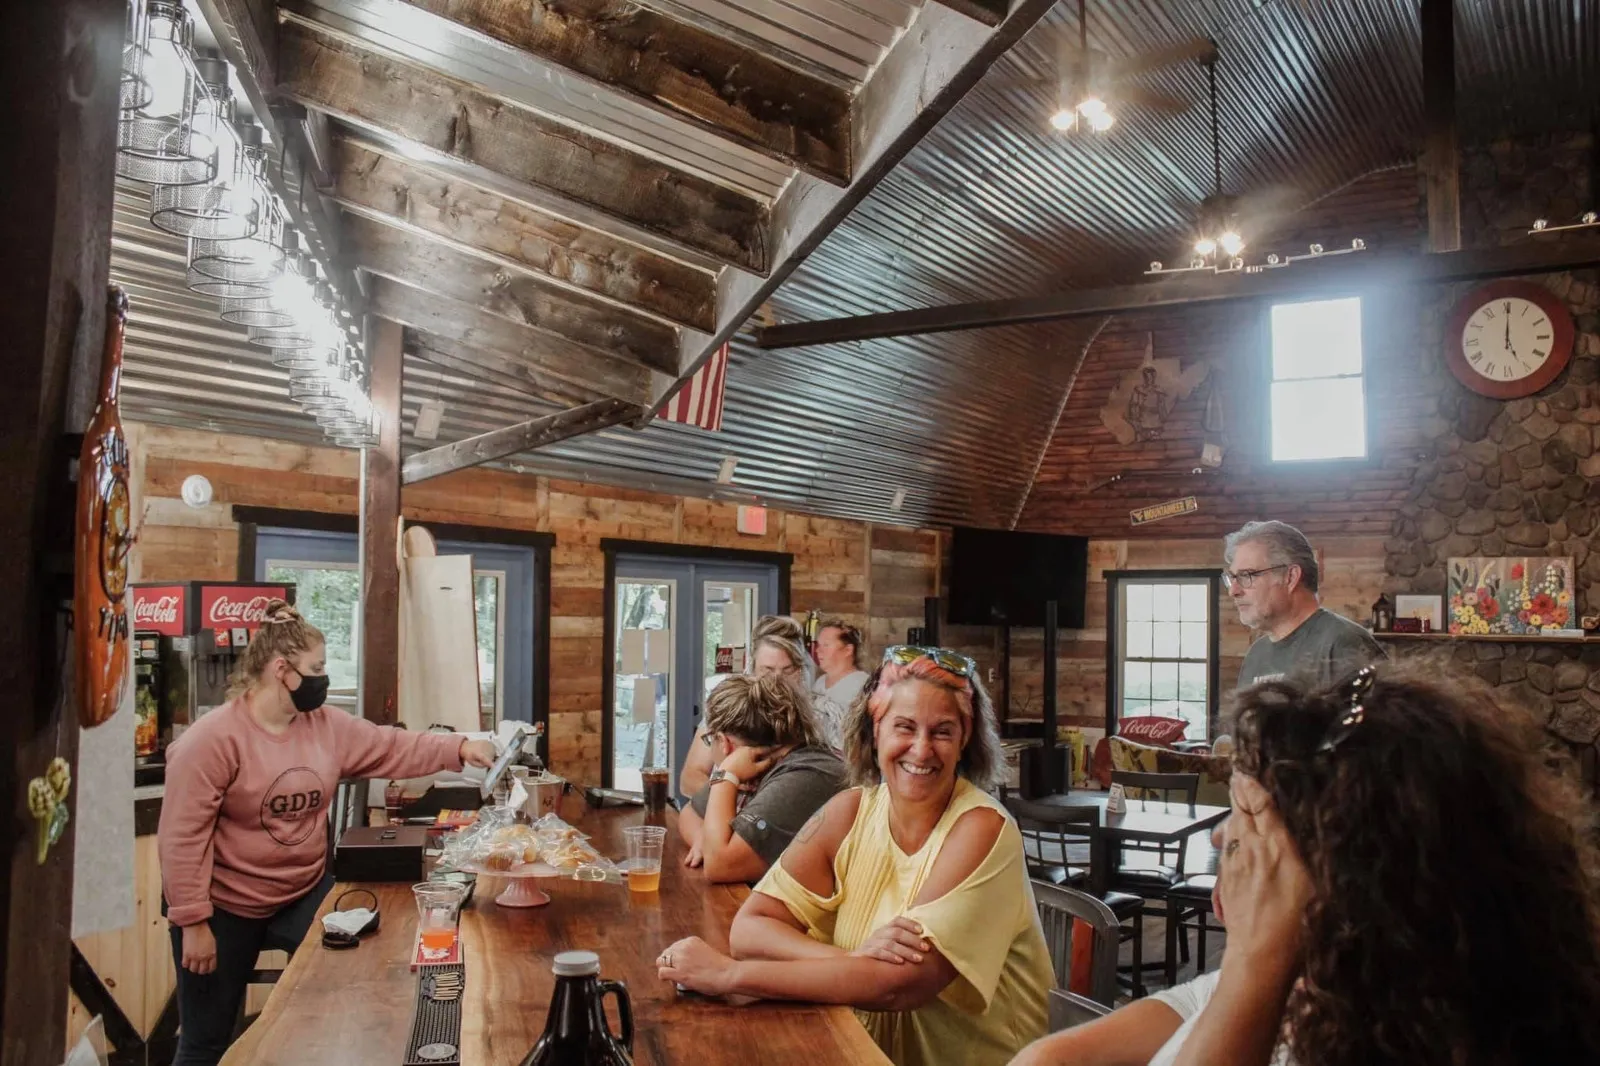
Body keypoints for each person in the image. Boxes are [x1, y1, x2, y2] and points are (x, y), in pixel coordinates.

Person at [1010, 664, 1600, 1066]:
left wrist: (1255, 955)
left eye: (1243, 811)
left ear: (1338, 864)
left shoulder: (1413, 1038)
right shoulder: (1316, 979)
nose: (1220, 835)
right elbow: (1191, 1005)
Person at [657, 646, 1053, 1066]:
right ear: (875, 728)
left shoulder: (981, 828)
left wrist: (728, 975)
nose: (921, 750)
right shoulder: (849, 810)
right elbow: (750, 929)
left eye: (942, 731)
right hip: (858, 1049)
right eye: (904, 727)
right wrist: (857, 960)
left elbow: (900, 986)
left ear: (964, 740)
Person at [158, 601, 497, 1066]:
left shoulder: (325, 726)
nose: (324, 677)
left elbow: (390, 745)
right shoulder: (211, 741)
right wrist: (193, 921)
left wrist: (458, 746)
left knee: (349, 988)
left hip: (301, 893)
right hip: (223, 906)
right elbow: (182, 836)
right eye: (316, 667)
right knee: (206, 1042)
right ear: (282, 670)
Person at [678, 673, 846, 882]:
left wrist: (725, 776)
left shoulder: (808, 775)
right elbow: (689, 814)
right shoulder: (754, 762)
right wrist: (705, 838)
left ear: (723, 742)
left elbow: (720, 866)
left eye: (709, 739)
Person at [1225, 520, 1382, 689]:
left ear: (1290, 577)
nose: (1233, 591)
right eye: (1232, 578)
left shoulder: (1344, 644)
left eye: (1247, 575)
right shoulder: (1256, 655)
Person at [679, 614, 813, 797]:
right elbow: (690, 778)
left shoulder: (822, 716)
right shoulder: (730, 708)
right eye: (768, 670)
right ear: (752, 667)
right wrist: (726, 790)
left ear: (800, 670)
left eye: (787, 670)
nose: (777, 681)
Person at [811, 618, 870, 751]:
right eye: (819, 645)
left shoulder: (863, 685)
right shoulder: (819, 682)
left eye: (826, 645)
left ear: (848, 650)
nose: (818, 651)